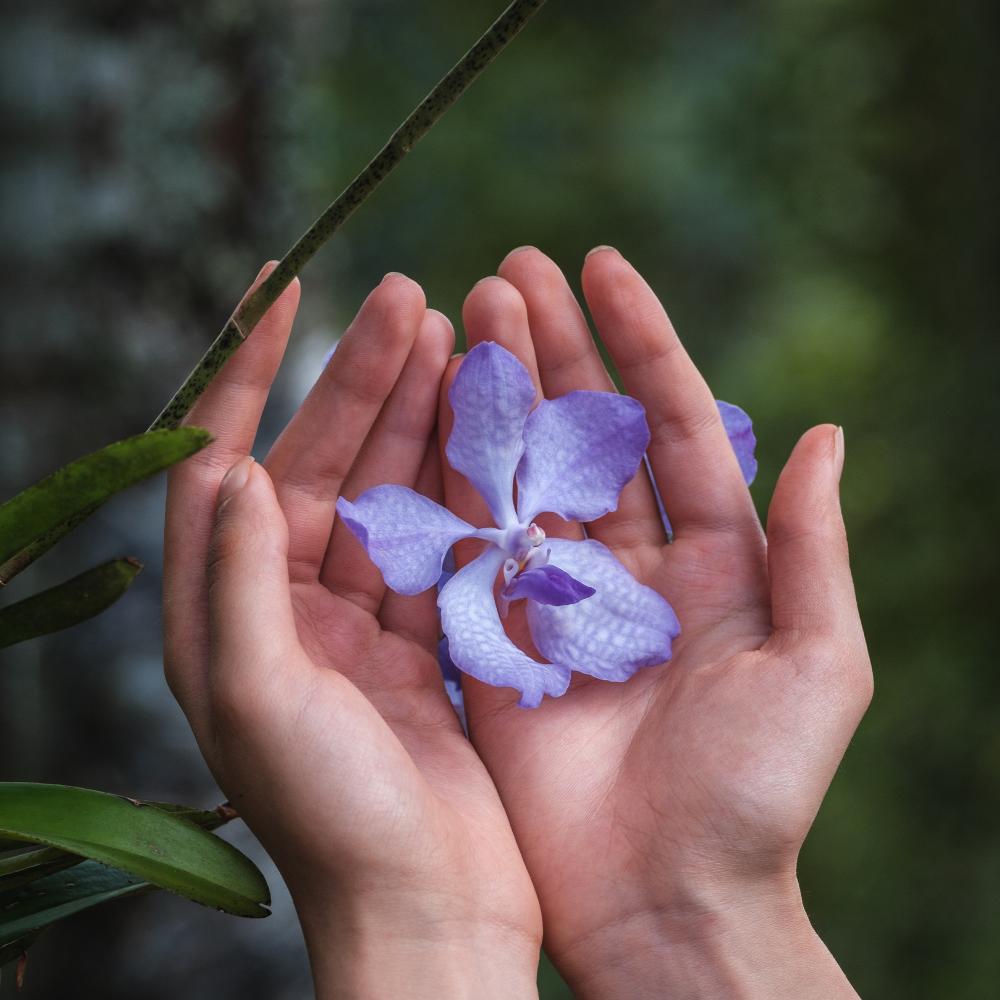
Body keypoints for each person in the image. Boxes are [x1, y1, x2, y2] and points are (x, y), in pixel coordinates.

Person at [163, 246, 872, 998]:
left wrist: (414, 922)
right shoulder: (459, 586)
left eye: (535, 537)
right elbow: (441, 590)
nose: (532, 537)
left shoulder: (551, 535)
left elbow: (595, 440)